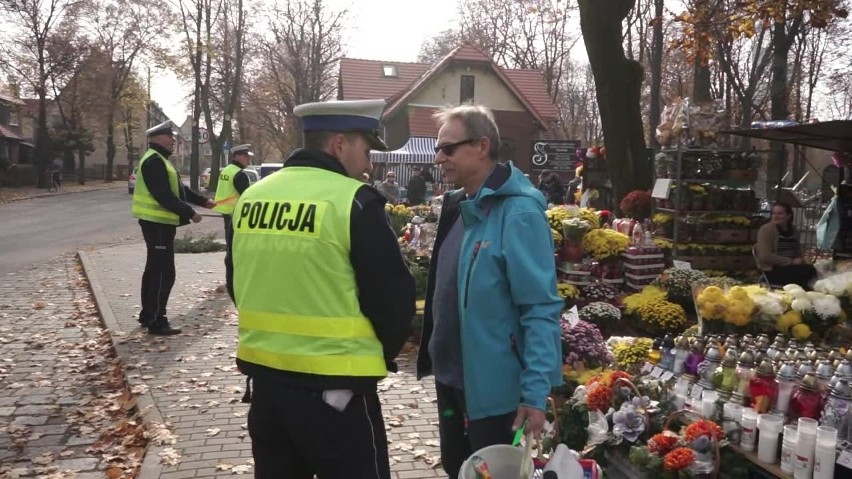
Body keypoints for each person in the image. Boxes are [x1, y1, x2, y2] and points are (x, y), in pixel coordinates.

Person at [230, 99, 416, 479]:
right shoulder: (353, 201)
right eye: (365, 151)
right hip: (338, 393)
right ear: (340, 144)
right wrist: (374, 356)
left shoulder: (252, 198)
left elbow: (236, 283)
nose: (367, 165)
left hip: (267, 388)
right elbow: (393, 300)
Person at [416, 104, 563, 479]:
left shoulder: (518, 213)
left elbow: (540, 308)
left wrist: (534, 393)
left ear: (482, 146)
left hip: (495, 395)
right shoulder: (460, 205)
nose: (439, 158)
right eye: (438, 149)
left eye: (448, 148)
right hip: (452, 381)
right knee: (457, 469)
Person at [131, 120, 214, 335]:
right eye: (170, 136)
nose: (173, 140)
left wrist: (203, 201)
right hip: (157, 224)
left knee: (153, 271)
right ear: (157, 138)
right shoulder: (154, 162)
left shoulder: (160, 160)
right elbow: (163, 195)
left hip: (159, 225)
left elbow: (179, 189)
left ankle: (148, 315)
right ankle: (158, 320)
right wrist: (190, 213)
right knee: (163, 273)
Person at [214, 144, 255, 303]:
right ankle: (234, 281)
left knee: (230, 248)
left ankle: (229, 279)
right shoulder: (238, 174)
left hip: (227, 213)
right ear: (237, 156)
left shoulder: (226, 170)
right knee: (235, 249)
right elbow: (247, 196)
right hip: (236, 215)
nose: (248, 159)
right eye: (246, 156)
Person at [755, 202, 818, 289]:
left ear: (789, 216)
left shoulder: (794, 231)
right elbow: (765, 256)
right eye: (774, 213)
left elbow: (797, 252)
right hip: (773, 268)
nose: (776, 216)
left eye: (780, 213)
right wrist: (791, 261)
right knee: (805, 273)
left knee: (811, 270)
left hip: (791, 267)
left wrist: (803, 259)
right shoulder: (766, 230)